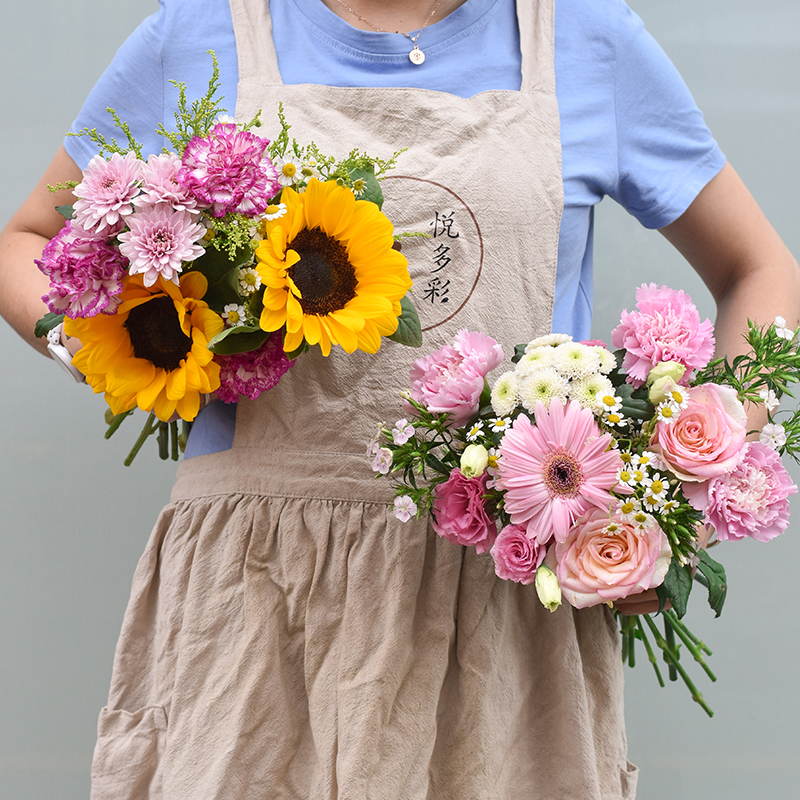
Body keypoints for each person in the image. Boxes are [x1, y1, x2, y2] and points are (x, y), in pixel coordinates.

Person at [0, 0, 797, 797]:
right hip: (258, 598)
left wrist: (684, 474)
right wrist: (124, 350)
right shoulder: (202, 32)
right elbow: (29, 240)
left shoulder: (585, 37)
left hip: (502, 605)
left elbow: (760, 272)